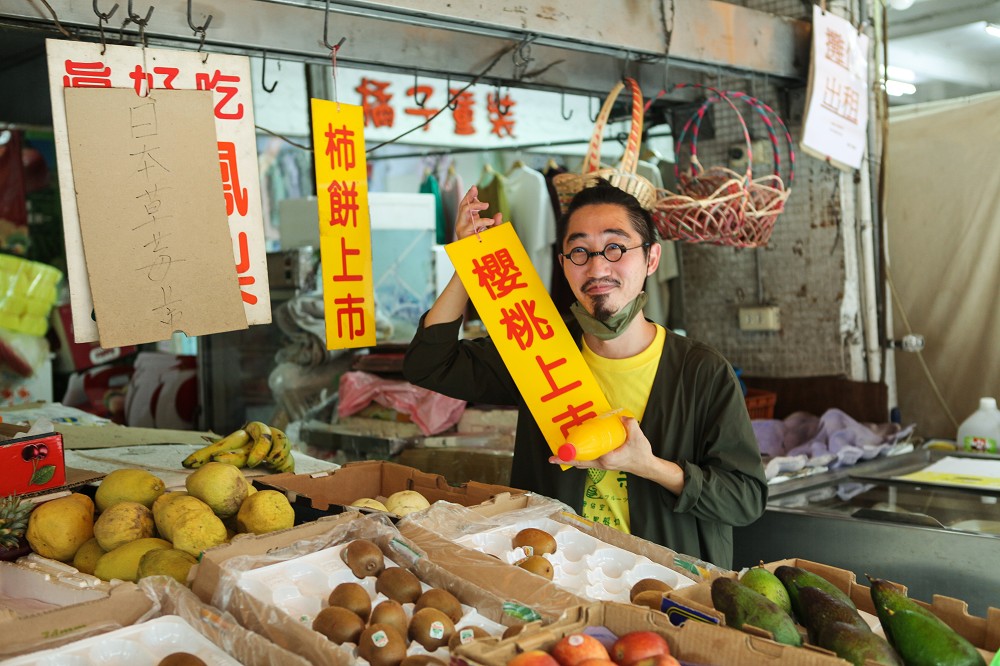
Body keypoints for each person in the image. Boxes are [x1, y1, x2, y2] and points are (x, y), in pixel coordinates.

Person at [403, 179, 767, 568]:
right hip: (553, 578)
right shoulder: (537, 349)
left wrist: (648, 465)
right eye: (579, 251)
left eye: (615, 247)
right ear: (563, 264)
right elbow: (430, 363)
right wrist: (469, 260)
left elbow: (744, 499)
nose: (597, 266)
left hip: (667, 588)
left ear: (652, 258)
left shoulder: (702, 372)